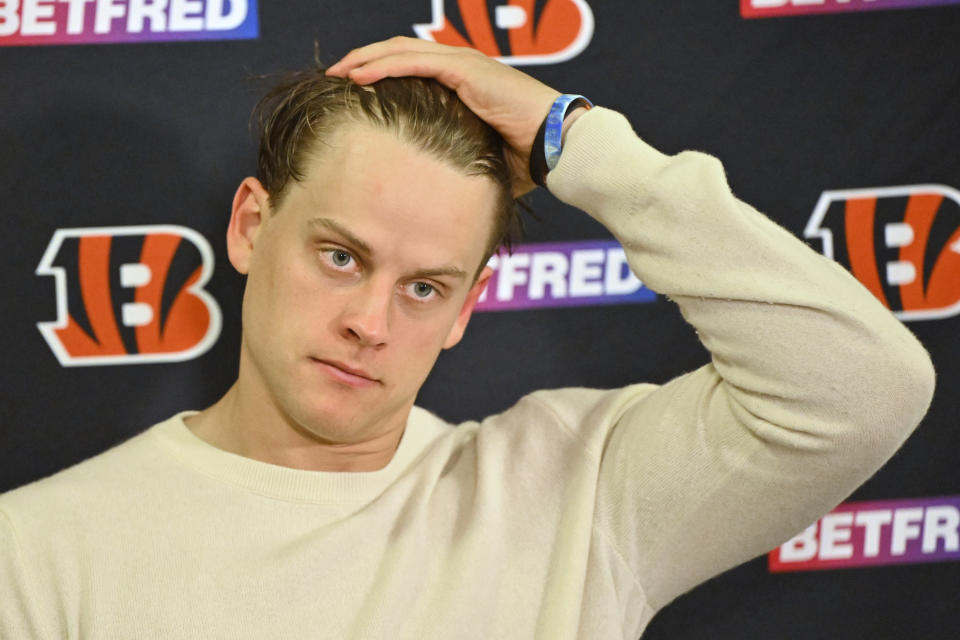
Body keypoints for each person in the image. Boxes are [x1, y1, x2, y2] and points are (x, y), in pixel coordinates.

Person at [0, 36, 935, 639]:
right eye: (337, 256)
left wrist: (580, 143)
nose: (370, 322)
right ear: (251, 226)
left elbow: (865, 386)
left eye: (423, 286)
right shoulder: (38, 553)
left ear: (465, 308)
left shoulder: (579, 495)